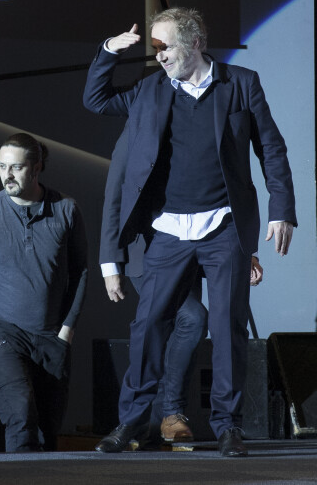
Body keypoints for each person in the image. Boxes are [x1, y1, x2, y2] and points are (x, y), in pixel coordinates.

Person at [84, 7, 296, 457]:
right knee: (146, 326)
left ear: (196, 42)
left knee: (227, 325)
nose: (157, 56)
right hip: (168, 230)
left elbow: (271, 149)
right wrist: (108, 51)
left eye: (165, 47)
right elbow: (97, 100)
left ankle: (227, 426)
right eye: (153, 48)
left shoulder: (241, 84)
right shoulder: (149, 90)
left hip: (223, 226)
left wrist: (283, 209)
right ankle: (131, 423)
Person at [100, 123, 264, 447]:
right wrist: (110, 262)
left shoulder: (198, 126)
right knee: (189, 318)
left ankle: (163, 418)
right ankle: (157, 415)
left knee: (191, 323)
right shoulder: (140, 129)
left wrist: (247, 255)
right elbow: (117, 193)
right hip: (147, 253)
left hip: (195, 251)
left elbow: (223, 192)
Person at [0, 133, 88, 453]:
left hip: (52, 337)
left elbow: (80, 273)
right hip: (4, 333)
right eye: (2, 167)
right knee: (21, 418)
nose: (7, 175)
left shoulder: (66, 210)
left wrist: (66, 332)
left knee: (47, 430)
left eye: (16, 167)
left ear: (37, 167)